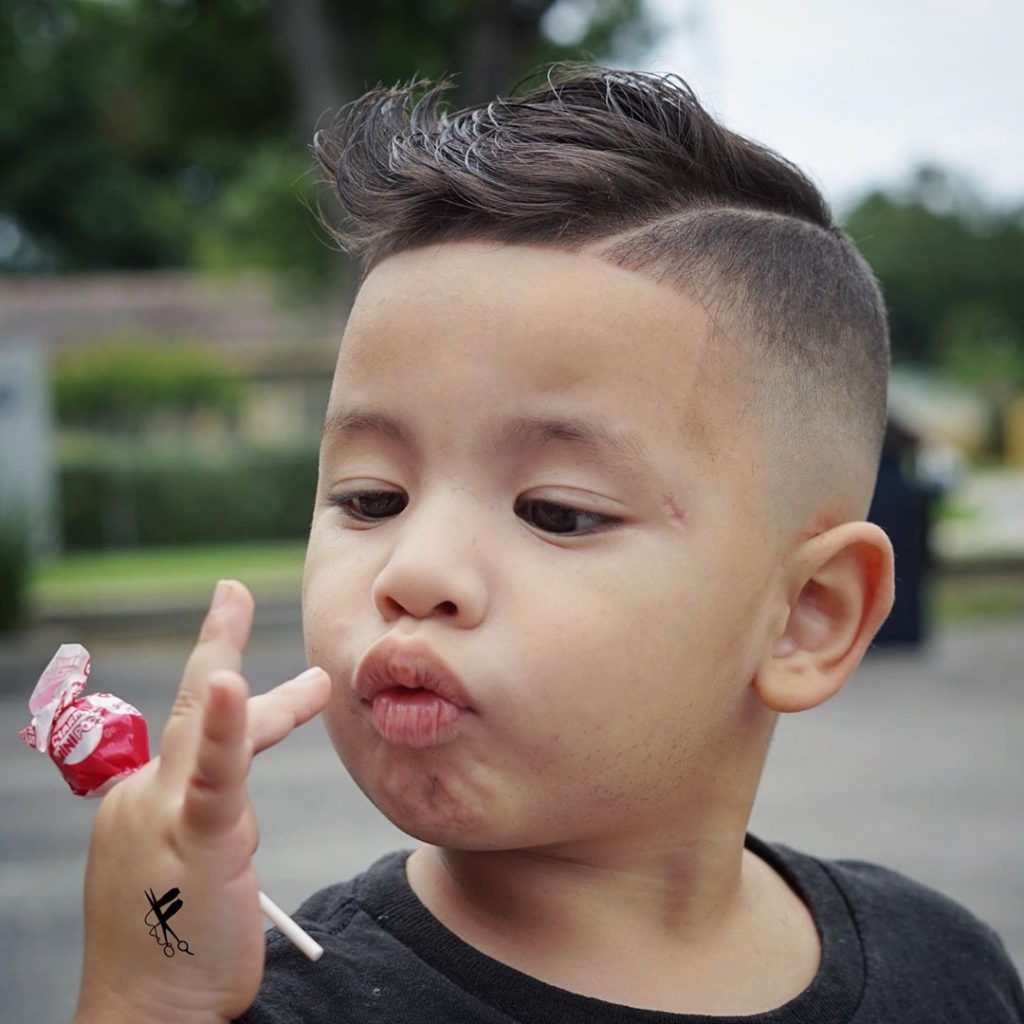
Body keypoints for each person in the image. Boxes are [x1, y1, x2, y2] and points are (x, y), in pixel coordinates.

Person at [73, 64, 1024, 1023]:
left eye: (556, 512)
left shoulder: (947, 972)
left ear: (807, 618)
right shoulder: (261, 1005)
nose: (416, 572)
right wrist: (143, 988)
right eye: (371, 498)